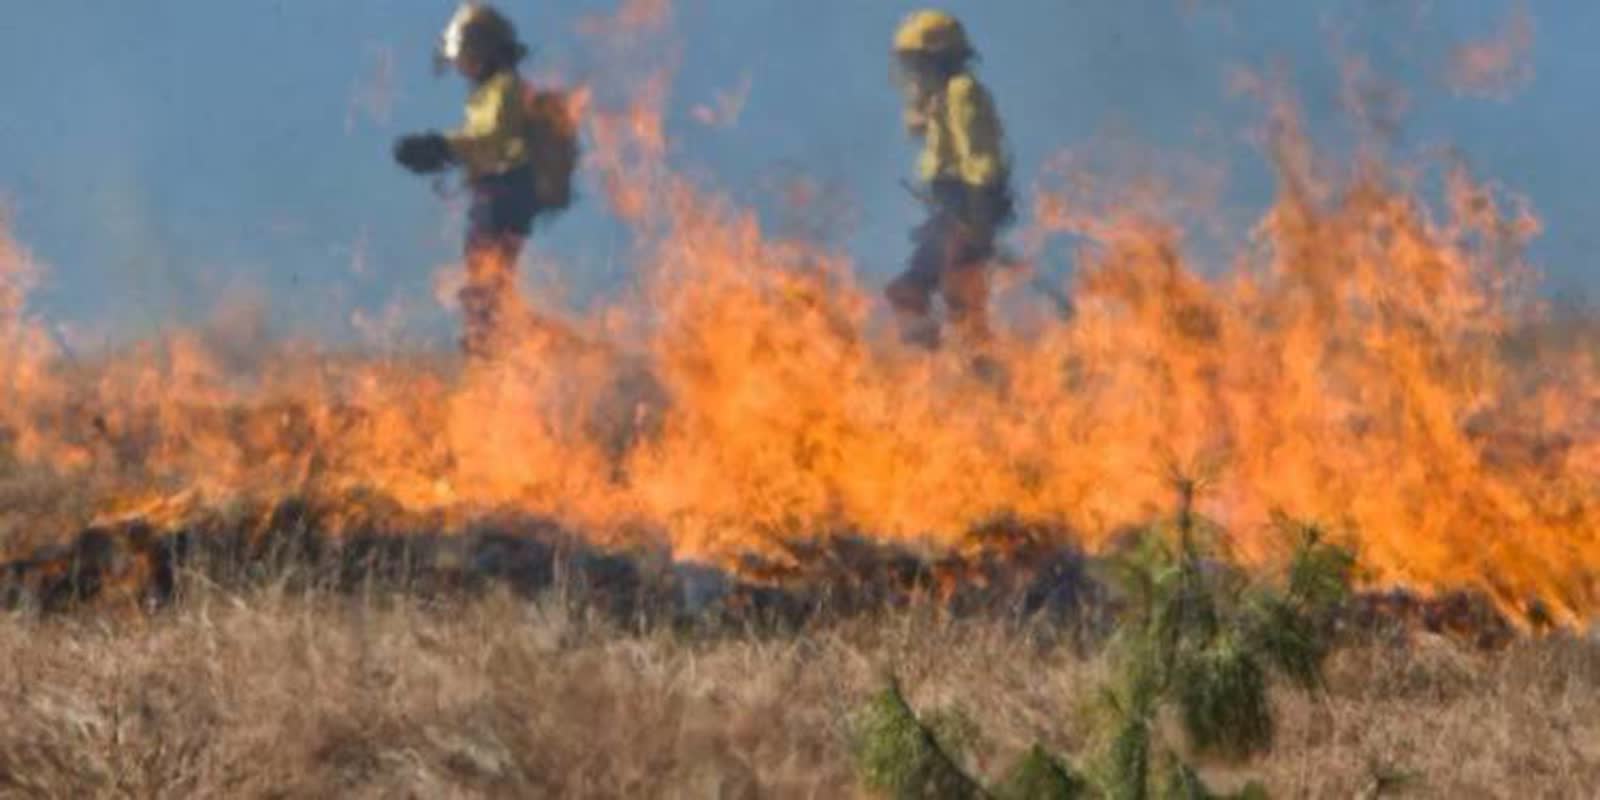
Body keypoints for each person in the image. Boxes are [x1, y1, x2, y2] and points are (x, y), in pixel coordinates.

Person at [393, 4, 577, 358]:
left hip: (506, 196)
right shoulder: (492, 91)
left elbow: (491, 139)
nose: (460, 65)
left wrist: (442, 147)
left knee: (488, 283)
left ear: (479, 50)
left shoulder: (505, 89)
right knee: (486, 281)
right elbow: (485, 141)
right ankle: (496, 340)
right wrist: (444, 152)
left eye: (464, 55)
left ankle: (530, 347)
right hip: (497, 195)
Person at [885, 10, 1016, 351]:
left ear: (938, 60)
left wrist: (978, 221)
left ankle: (963, 360)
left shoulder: (961, 92)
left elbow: (980, 161)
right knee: (920, 289)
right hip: (952, 209)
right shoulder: (939, 98)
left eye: (917, 63)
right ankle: (937, 354)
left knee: (947, 294)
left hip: (968, 206)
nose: (912, 73)